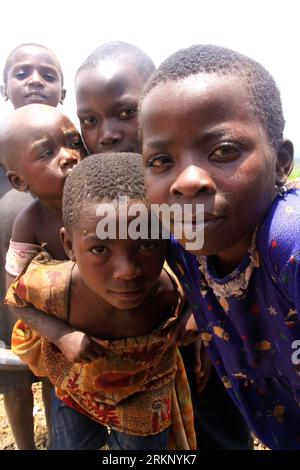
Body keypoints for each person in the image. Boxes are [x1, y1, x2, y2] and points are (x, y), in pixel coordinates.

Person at [139, 43, 300, 449]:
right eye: (160, 161)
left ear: (281, 161)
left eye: (223, 151)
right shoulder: (183, 241)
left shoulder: (289, 239)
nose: (187, 180)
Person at [5, 153, 196, 451]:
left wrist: (195, 315)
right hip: (76, 387)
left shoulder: (174, 290)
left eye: (145, 244)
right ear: (69, 245)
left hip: (145, 392)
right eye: (100, 249)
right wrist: (62, 335)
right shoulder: (56, 287)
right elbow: (17, 300)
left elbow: (209, 292)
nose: (127, 271)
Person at [0, 43, 66, 450]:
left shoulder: (73, 154)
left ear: (62, 89)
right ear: (4, 88)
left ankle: (63, 440)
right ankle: (25, 446)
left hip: (63, 298)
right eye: (22, 73)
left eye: (48, 73)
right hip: (6, 293)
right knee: (13, 376)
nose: (36, 80)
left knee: (57, 373)